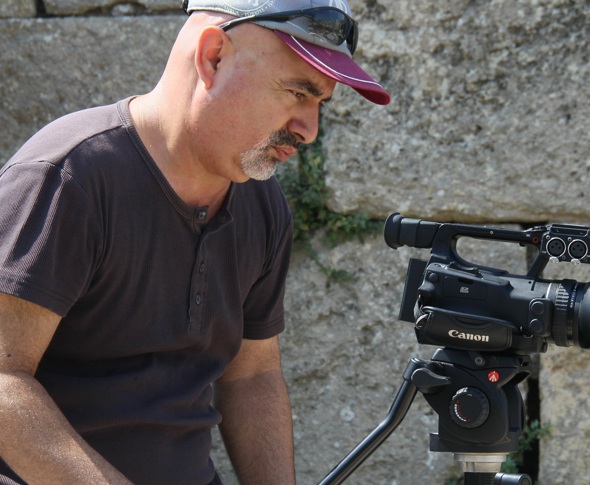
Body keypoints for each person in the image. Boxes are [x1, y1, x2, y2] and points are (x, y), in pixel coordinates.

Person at [0, 0, 390, 483]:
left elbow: (252, 375)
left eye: (320, 104)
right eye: (297, 92)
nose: (309, 129)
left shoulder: (263, 206)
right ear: (213, 56)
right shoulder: (68, 180)